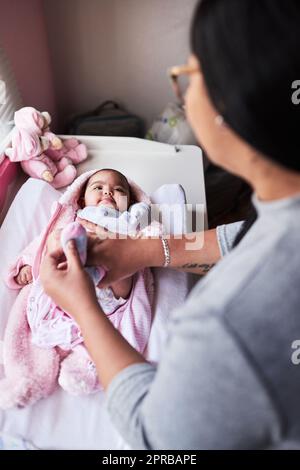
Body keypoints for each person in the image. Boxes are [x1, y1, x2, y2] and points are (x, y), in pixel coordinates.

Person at [40, 0, 300, 449]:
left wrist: (85, 308)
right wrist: (144, 253)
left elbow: (160, 443)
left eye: (191, 73)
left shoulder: (230, 319)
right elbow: (244, 238)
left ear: (236, 104)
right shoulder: (278, 215)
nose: (180, 85)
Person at [2, 168, 155, 406]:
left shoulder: (129, 222)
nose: (108, 192)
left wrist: (147, 234)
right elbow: (41, 243)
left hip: (108, 292)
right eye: (98, 187)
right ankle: (27, 378)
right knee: (58, 239)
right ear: (82, 198)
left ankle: (85, 371)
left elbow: (152, 243)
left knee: (124, 274)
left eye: (118, 190)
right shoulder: (75, 218)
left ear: (131, 201)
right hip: (63, 287)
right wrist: (27, 264)